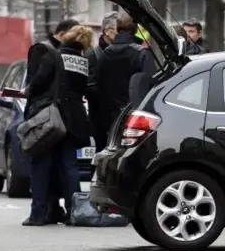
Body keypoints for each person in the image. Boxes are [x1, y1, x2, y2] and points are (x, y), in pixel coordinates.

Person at [23, 25, 95, 226]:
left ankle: (38, 214)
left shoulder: (54, 55)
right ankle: (74, 211)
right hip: (74, 120)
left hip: (52, 119)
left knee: (41, 164)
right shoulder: (83, 61)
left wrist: (26, 92)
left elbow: (38, 82)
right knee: (69, 166)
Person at [94, 12, 156, 141]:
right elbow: (151, 89)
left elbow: (97, 86)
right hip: (135, 121)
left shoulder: (104, 55)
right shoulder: (142, 54)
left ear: (117, 28)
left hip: (109, 120)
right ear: (135, 28)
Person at [87, 12, 117, 152]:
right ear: (107, 31)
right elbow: (90, 86)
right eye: (118, 30)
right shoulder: (94, 54)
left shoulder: (122, 51)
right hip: (100, 117)